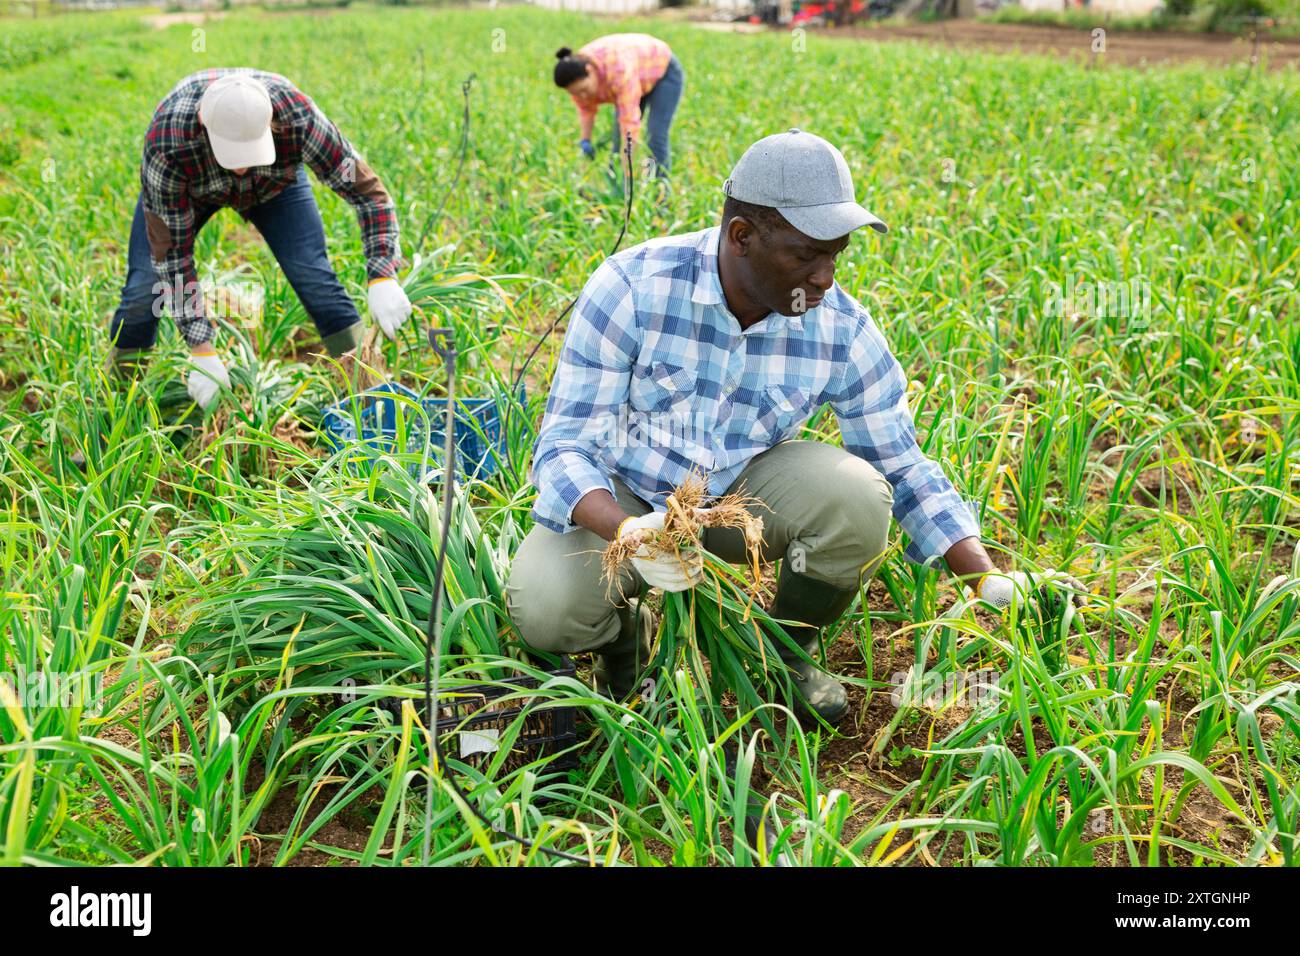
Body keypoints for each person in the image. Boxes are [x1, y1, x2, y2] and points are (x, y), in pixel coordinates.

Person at [506, 130, 1082, 725]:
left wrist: (983, 581)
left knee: (856, 499)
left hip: (739, 499)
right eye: (806, 254)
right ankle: (626, 647)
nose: (826, 276)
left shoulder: (839, 329)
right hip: (627, 494)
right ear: (742, 236)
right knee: (548, 607)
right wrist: (632, 529)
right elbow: (566, 446)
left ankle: (788, 652)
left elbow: (902, 466)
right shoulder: (632, 287)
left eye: (835, 253)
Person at [107, 68, 412, 409]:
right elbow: (172, 255)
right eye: (232, 155)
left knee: (314, 277)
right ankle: (117, 409)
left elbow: (367, 192)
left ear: (271, 125)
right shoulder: (168, 142)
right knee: (141, 292)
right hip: (192, 192)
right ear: (205, 129)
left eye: (248, 153)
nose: (241, 168)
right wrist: (202, 350)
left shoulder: (299, 117)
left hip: (275, 188)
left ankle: (371, 399)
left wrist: (383, 274)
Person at [552, 34, 685, 180]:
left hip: (661, 69)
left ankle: (660, 192)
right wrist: (585, 141)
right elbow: (586, 110)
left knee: (655, 135)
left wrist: (626, 172)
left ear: (590, 71)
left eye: (584, 90)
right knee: (618, 139)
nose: (582, 96)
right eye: (575, 93)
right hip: (637, 73)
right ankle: (615, 188)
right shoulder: (575, 76)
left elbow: (629, 124)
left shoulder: (618, 72)